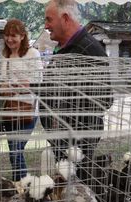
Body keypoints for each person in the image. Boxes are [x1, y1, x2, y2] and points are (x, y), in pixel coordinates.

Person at [40, 0, 110, 181]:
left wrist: (64, 115)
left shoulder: (90, 50)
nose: (46, 25)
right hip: (62, 138)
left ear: (65, 18)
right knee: (66, 190)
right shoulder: (65, 48)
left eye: (49, 20)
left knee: (78, 190)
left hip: (78, 142)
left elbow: (105, 99)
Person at [0, 19, 43, 181]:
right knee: (14, 152)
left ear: (22, 36)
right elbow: (3, 82)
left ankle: (23, 185)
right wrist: (8, 87)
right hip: (10, 110)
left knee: (16, 150)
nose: (9, 39)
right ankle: (19, 186)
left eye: (13, 36)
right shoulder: (5, 55)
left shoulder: (33, 54)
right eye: (6, 36)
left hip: (28, 108)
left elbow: (38, 82)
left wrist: (19, 85)